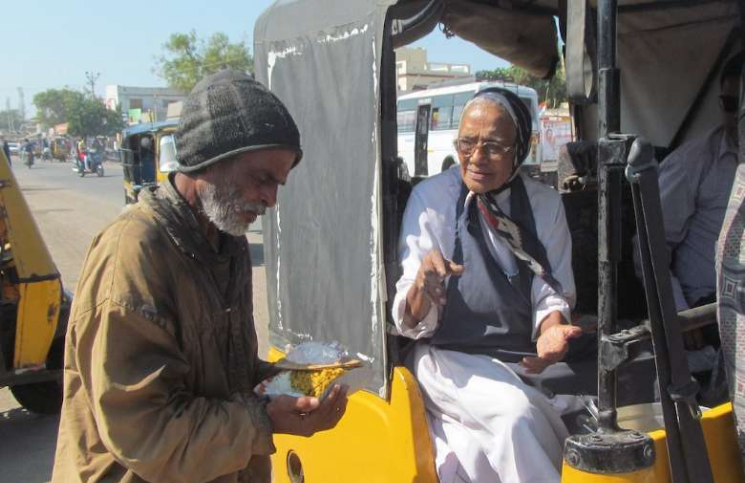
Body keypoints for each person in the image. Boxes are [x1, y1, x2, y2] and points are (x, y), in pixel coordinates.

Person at [51, 70, 348, 483]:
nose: (271, 199)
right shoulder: (133, 255)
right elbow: (145, 432)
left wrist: (293, 385)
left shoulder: (227, 241)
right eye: (262, 178)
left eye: (278, 183)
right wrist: (263, 419)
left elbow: (226, 378)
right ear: (207, 160)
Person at [392, 87, 578, 483]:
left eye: (493, 147)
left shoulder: (544, 204)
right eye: (467, 143)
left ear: (520, 150)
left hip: (520, 359)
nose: (476, 157)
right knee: (515, 417)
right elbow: (409, 318)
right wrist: (423, 287)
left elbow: (551, 290)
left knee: (477, 455)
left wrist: (552, 329)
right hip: (446, 359)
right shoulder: (431, 199)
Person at [658, 52, 743, 313]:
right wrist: (681, 316)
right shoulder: (692, 163)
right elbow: (650, 247)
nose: (737, 115)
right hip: (711, 306)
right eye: (730, 104)